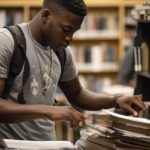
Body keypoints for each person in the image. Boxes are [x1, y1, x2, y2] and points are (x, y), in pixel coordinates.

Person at [0, 0, 146, 146]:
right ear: (46, 15)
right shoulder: (7, 42)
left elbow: (77, 94)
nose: (70, 38)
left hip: (49, 145)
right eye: (65, 29)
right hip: (10, 145)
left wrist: (116, 101)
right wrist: (47, 111)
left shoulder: (61, 52)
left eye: (74, 31)